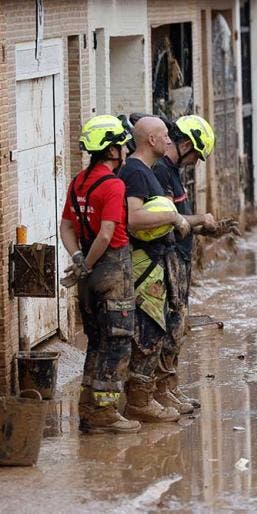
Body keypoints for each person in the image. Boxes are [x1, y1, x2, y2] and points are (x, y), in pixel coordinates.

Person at [59, 115, 139, 434]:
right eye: (120, 145)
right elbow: (107, 234)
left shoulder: (78, 181)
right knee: (117, 342)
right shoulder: (114, 185)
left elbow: (66, 226)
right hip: (111, 271)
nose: (123, 151)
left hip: (88, 278)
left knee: (95, 340)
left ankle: (88, 407)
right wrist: (89, 262)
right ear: (111, 150)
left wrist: (79, 260)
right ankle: (105, 409)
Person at [153, 114, 238, 415]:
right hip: (169, 258)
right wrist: (201, 220)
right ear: (186, 143)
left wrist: (208, 227)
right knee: (170, 325)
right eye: (197, 155)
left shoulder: (172, 172)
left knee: (178, 325)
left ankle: (168, 387)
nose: (197, 162)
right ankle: (159, 391)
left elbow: (180, 219)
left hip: (181, 258)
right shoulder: (160, 171)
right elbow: (167, 221)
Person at [120, 116, 191, 423]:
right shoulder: (135, 172)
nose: (168, 141)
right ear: (150, 140)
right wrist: (173, 218)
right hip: (142, 265)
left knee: (157, 328)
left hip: (154, 262)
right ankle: (139, 401)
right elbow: (133, 219)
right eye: (163, 136)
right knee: (148, 332)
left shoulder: (145, 171)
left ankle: (149, 396)